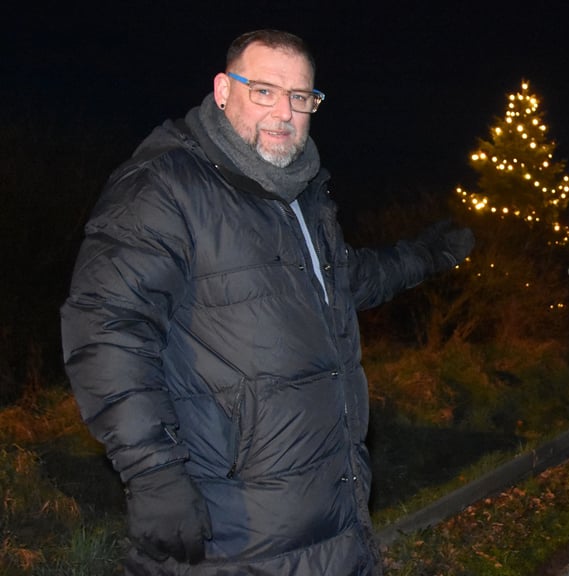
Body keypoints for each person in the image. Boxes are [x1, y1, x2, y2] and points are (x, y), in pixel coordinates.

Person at [61, 29, 473, 575]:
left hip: (333, 508)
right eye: (264, 91)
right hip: (234, 525)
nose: (284, 112)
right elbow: (106, 329)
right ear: (224, 89)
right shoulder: (164, 187)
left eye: (300, 97)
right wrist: (153, 471)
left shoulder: (301, 194)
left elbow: (347, 279)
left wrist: (427, 255)